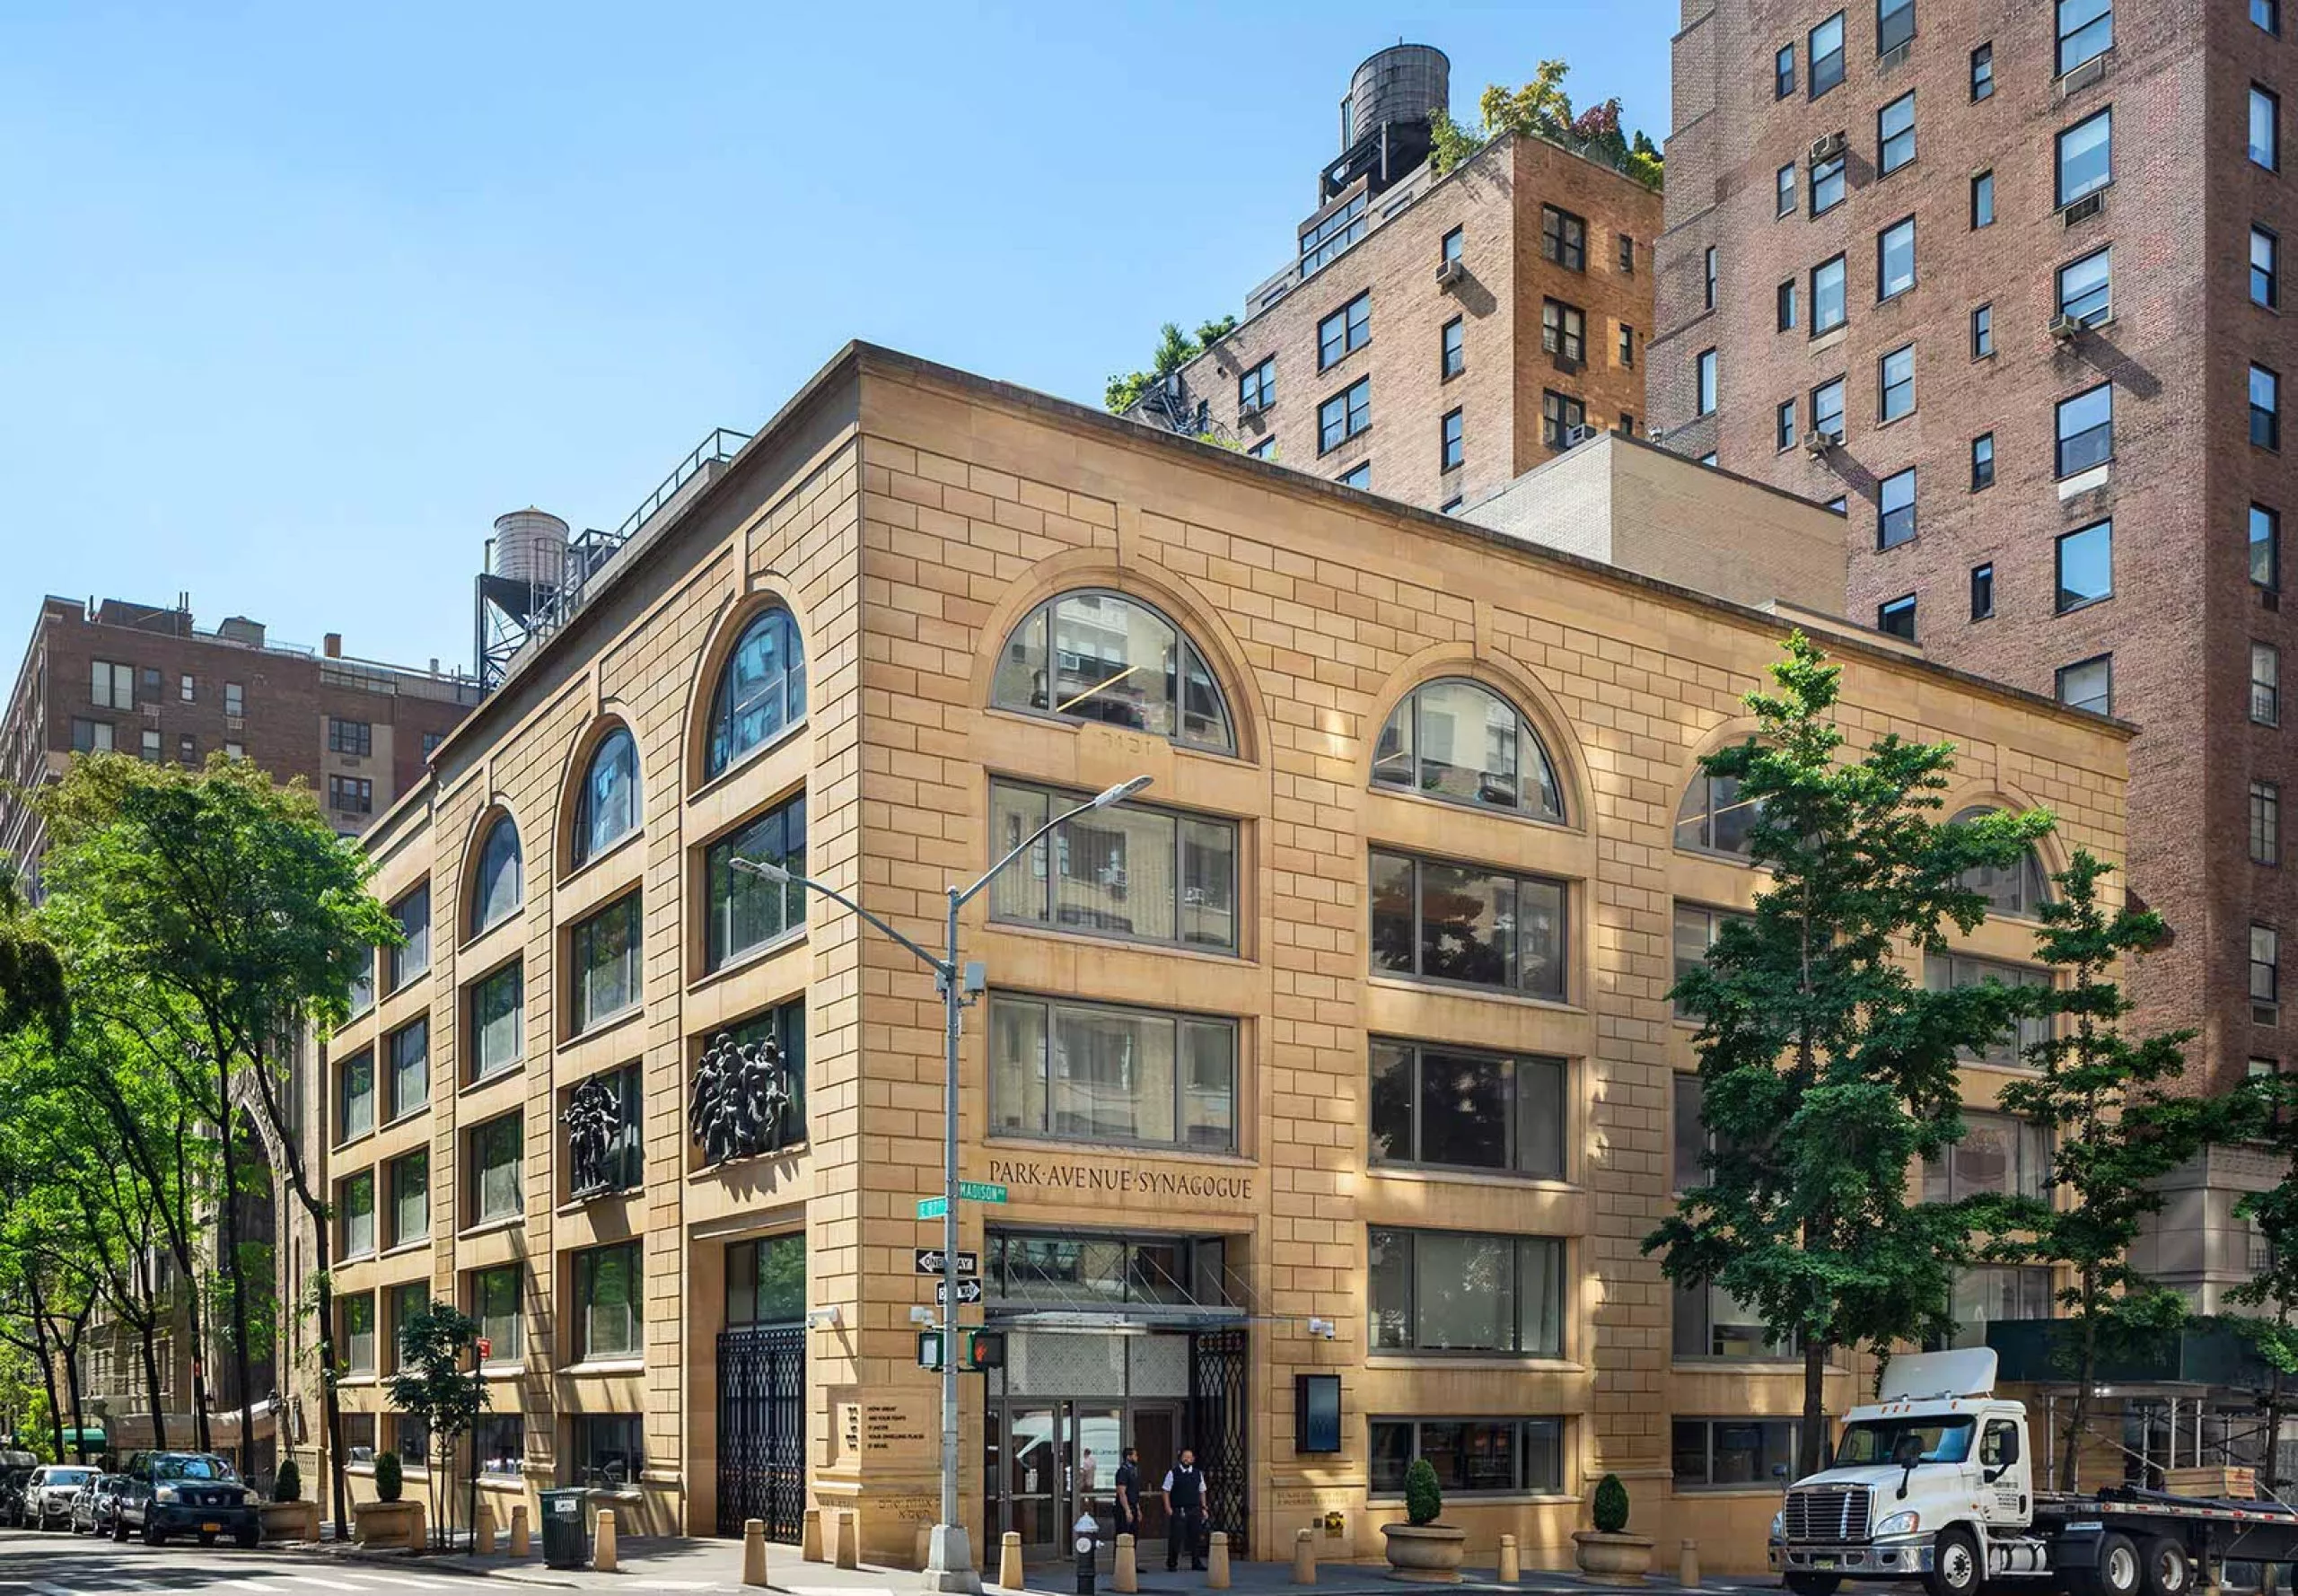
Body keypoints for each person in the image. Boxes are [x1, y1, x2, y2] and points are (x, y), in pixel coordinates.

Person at [1162, 1446, 1206, 1572]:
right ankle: (1172, 1563)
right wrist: (1168, 1508)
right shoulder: (1173, 1473)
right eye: (1185, 1457)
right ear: (1180, 1459)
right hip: (1178, 1509)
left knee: (1195, 1536)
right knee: (1176, 1537)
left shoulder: (1198, 1473)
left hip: (1194, 1509)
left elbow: (1202, 1491)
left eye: (1189, 1457)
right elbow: (1166, 1491)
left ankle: (1196, 1562)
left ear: (1193, 1459)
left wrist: (1204, 1507)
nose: (1187, 1459)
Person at [1113, 1446, 1143, 1542]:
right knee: (1123, 1536)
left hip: (1133, 1505)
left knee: (1133, 1535)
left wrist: (1138, 1509)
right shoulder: (1123, 1471)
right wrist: (1127, 1510)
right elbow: (1122, 1492)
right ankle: (1121, 1557)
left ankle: (1131, 1556)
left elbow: (1134, 1493)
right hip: (1123, 1508)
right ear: (1128, 1457)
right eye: (1135, 1455)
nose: (1137, 1457)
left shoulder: (1133, 1471)